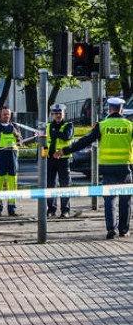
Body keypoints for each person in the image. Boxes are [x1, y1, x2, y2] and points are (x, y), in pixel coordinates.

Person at [56, 97, 133, 239]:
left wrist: (65, 150)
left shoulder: (102, 125)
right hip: (125, 168)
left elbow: (84, 141)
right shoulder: (129, 125)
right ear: (121, 109)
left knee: (109, 199)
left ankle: (111, 230)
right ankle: (124, 230)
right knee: (125, 200)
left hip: (107, 167)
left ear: (109, 109)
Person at [0, 106, 21, 217]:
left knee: (13, 184)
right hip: (0, 157)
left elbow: (20, 142)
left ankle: (12, 208)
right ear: (0, 115)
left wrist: (17, 136)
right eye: (4, 114)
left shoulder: (15, 126)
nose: (7, 116)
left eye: (8, 114)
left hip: (12, 157)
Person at [46, 103, 74, 218]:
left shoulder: (69, 125)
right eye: (55, 113)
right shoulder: (48, 126)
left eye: (59, 113)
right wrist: (44, 155)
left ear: (63, 114)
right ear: (52, 114)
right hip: (50, 159)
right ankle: (51, 209)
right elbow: (45, 141)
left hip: (64, 159)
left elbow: (66, 136)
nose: (57, 115)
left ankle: (65, 210)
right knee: (50, 185)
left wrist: (55, 132)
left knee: (64, 185)